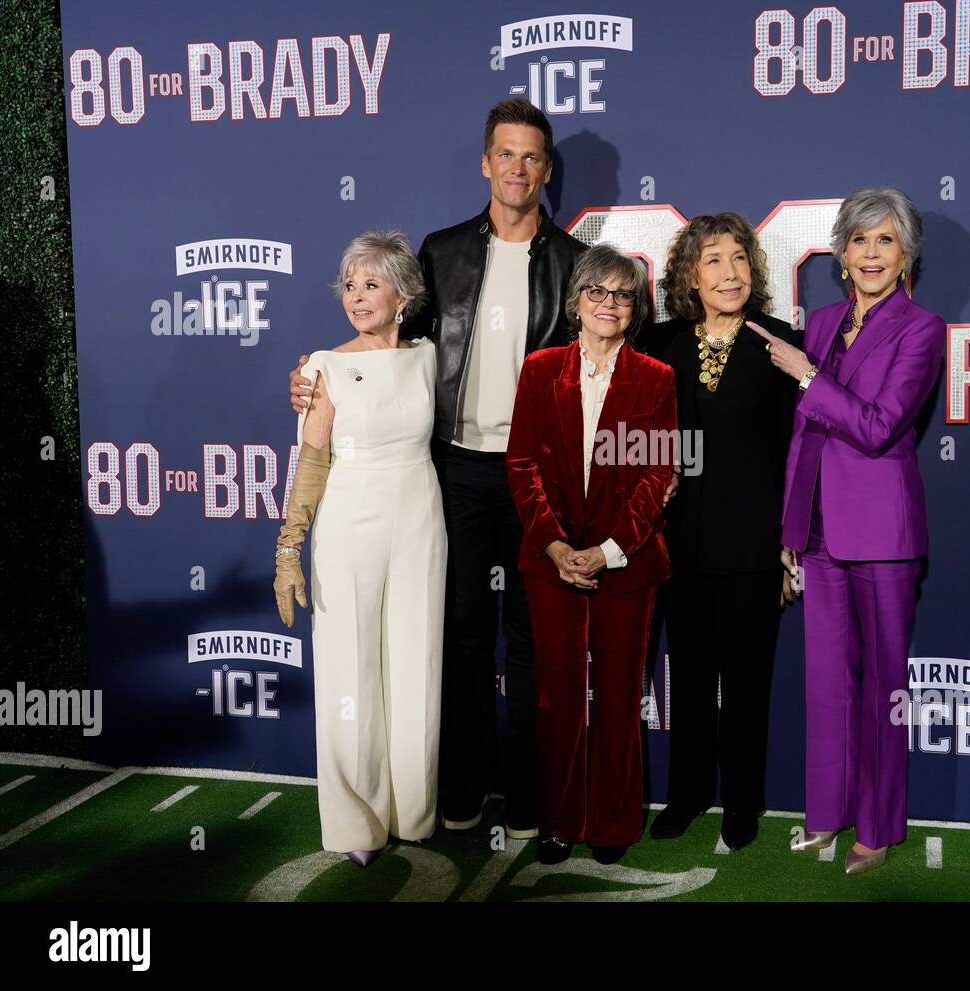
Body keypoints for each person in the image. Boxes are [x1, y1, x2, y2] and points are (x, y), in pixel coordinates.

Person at [288, 99, 585, 839]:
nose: (518, 169)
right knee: (455, 635)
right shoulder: (444, 251)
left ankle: (527, 795)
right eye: (505, 155)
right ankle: (457, 790)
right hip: (452, 471)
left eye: (532, 158)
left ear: (547, 171)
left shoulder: (574, 263)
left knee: (534, 639)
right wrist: (313, 374)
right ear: (486, 162)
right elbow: (385, 342)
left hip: (535, 474)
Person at [752, 186, 944, 875]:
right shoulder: (826, 319)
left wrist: (807, 374)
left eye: (885, 240)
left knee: (883, 684)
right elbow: (806, 434)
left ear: (905, 254)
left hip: (884, 533)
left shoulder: (922, 329)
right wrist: (790, 524)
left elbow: (877, 425)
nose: (870, 253)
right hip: (821, 532)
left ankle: (881, 822)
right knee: (827, 682)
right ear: (840, 252)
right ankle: (826, 812)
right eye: (859, 240)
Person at [274, 230, 446, 868]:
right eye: (349, 284)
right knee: (350, 668)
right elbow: (312, 461)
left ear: (404, 292)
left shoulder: (428, 356)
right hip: (349, 521)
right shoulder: (322, 366)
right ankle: (355, 822)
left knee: (416, 664)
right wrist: (289, 548)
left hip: (422, 517)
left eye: (372, 283)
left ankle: (411, 811)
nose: (357, 295)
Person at [505, 244, 677, 865]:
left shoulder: (656, 379)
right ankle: (558, 820)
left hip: (626, 565)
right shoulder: (540, 369)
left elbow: (659, 477)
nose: (609, 304)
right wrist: (554, 545)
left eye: (622, 295)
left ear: (636, 308)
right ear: (575, 302)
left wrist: (606, 552)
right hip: (548, 562)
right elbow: (521, 464)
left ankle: (612, 823)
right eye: (597, 293)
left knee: (616, 696)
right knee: (555, 696)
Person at [636, 213, 800, 852]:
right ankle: (685, 795)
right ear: (689, 276)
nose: (729, 272)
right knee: (692, 678)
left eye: (738, 259)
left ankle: (742, 803)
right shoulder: (660, 344)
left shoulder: (780, 343)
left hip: (754, 544)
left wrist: (791, 545)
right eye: (713, 261)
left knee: (748, 679)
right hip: (678, 544)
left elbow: (799, 452)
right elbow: (639, 436)